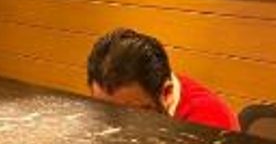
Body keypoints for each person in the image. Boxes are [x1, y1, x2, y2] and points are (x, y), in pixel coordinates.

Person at [86, 28, 240, 131]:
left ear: (167, 93)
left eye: (131, 114)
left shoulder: (211, 126)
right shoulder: (133, 95)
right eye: (105, 110)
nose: (115, 126)